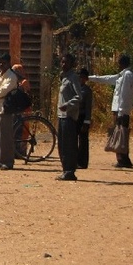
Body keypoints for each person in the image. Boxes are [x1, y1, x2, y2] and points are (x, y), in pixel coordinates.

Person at [88, 54, 133, 168]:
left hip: (122, 111)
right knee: (119, 133)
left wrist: (121, 112)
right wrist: (91, 78)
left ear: (122, 63)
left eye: (119, 62)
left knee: (121, 134)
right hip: (119, 110)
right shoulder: (122, 75)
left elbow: (125, 95)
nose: (117, 65)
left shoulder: (127, 75)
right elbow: (108, 79)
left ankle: (124, 159)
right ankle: (121, 158)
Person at [56, 53, 83, 181]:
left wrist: (67, 105)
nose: (63, 64)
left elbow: (79, 96)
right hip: (61, 116)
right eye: (62, 62)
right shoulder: (63, 77)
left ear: (72, 64)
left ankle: (70, 171)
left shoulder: (73, 77)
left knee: (69, 145)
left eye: (66, 62)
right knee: (61, 144)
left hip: (69, 116)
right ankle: (65, 169)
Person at [77, 68, 93, 169]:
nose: (81, 79)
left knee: (83, 141)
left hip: (83, 117)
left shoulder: (87, 91)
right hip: (75, 116)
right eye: (80, 77)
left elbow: (88, 107)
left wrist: (87, 121)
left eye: (83, 78)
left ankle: (83, 162)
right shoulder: (75, 88)